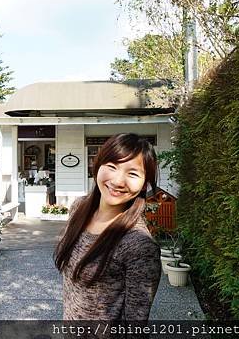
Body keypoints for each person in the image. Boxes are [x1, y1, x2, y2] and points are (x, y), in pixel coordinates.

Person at [54, 133, 161, 321]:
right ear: (98, 166)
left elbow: (136, 324)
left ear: (144, 184)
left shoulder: (138, 245)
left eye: (133, 173)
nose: (118, 181)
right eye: (112, 166)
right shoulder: (78, 209)